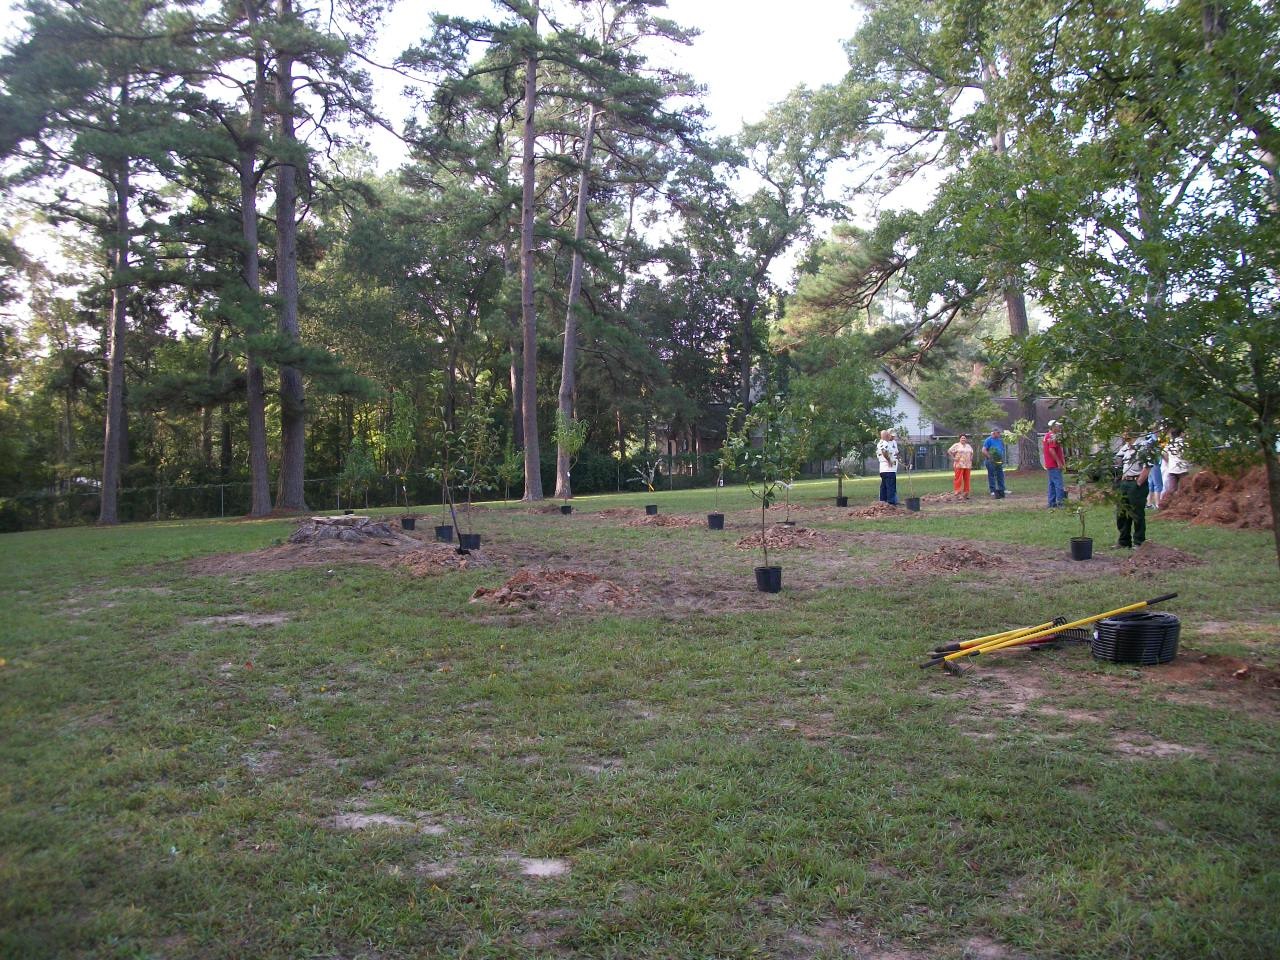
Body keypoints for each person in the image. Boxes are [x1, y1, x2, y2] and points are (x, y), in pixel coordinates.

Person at [1112, 431, 1150, 549]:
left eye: (1126, 431)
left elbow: (1148, 466)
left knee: (1137, 513)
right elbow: (1118, 459)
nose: (1123, 434)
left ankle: (1139, 542)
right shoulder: (1125, 447)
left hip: (1136, 483)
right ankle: (1124, 541)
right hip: (1125, 482)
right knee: (1122, 513)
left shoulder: (1143, 447)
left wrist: (1138, 483)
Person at [1041, 421, 1067, 508]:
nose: (1060, 428)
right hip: (1054, 464)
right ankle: (1061, 503)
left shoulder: (1047, 436)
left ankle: (1052, 503)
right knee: (1058, 484)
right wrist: (1059, 462)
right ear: (1053, 427)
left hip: (1049, 464)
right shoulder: (1052, 436)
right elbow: (1051, 450)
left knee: (1052, 484)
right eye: (1058, 426)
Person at [1161, 429, 1190, 506]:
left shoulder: (1170, 443)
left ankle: (1170, 505)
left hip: (1172, 468)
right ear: (1181, 433)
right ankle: (1185, 504)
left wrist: (1169, 462)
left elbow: (1163, 454)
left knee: (1172, 490)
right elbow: (1188, 454)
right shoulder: (1184, 443)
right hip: (1182, 468)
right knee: (1185, 489)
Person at [876, 429, 899, 505]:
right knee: (890, 486)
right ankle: (891, 502)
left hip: (886, 469)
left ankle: (883, 501)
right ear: (886, 435)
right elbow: (884, 451)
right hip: (888, 469)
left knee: (884, 486)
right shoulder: (884, 443)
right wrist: (889, 461)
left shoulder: (883, 443)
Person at [946, 433, 974, 499]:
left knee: (967, 478)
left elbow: (972, 452)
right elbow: (949, 451)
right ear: (960, 439)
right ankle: (957, 491)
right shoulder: (956, 445)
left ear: (966, 439)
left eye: (964, 438)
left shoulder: (968, 446)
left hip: (967, 465)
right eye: (962, 438)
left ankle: (966, 492)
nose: (963, 439)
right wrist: (953, 458)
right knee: (958, 478)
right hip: (959, 464)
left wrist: (971, 457)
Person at [982, 428, 1006, 498]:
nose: (999, 434)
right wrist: (990, 457)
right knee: (992, 475)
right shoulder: (988, 440)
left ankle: (1002, 489)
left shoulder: (1000, 440)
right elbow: (983, 450)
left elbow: (1001, 449)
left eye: (999, 433)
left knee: (1000, 475)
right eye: (998, 433)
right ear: (993, 433)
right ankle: (993, 490)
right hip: (990, 461)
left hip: (998, 460)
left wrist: (1001, 458)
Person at [1144, 430, 1163, 509]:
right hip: (1154, 462)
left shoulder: (1150, 436)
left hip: (1149, 462)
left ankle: (1149, 503)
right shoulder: (1152, 437)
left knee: (1151, 483)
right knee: (1158, 484)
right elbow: (1156, 450)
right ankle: (1158, 504)